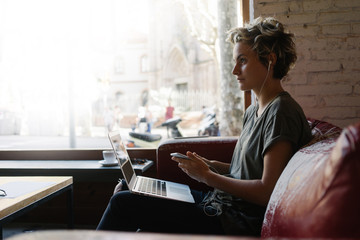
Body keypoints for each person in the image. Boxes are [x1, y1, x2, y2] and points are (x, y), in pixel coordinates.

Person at [96, 17, 312, 236]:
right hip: (217, 203)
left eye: (243, 60)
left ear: (270, 59)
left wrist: (207, 177)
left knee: (123, 203)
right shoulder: (253, 111)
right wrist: (209, 165)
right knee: (126, 188)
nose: (235, 70)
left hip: (232, 219)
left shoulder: (281, 112)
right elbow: (245, 172)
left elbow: (267, 191)